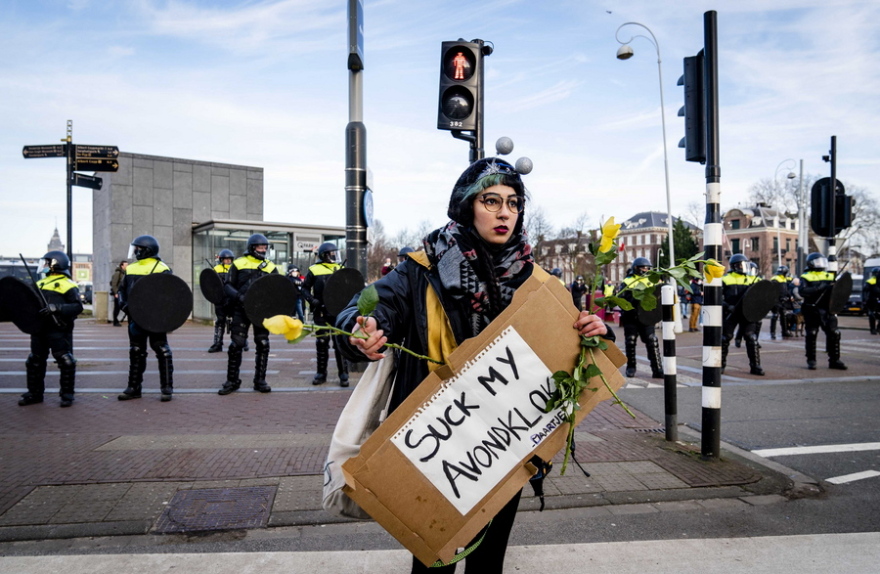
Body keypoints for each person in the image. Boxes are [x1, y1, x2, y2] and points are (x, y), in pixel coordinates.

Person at [333, 157, 613, 574]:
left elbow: (570, 350)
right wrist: (361, 330)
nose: (504, 213)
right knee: (434, 559)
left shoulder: (537, 282)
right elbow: (368, 309)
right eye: (491, 200)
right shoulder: (420, 270)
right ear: (467, 206)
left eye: (514, 203)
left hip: (504, 444)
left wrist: (594, 333)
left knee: (488, 562)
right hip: (437, 445)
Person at [18, 251, 83, 407]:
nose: (44, 266)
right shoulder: (39, 284)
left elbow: (77, 307)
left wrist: (57, 307)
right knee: (35, 361)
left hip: (58, 329)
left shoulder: (68, 285)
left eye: (47, 263)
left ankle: (67, 395)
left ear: (56, 264)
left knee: (65, 360)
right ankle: (35, 393)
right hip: (39, 329)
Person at [118, 235, 176, 402]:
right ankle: (133, 388)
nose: (135, 251)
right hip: (134, 318)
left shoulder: (161, 268)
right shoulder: (130, 268)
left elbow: (170, 294)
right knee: (136, 351)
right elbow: (122, 291)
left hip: (154, 318)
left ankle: (167, 388)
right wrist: (124, 305)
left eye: (138, 248)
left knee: (161, 349)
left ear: (146, 250)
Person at [218, 234, 277, 395]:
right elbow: (228, 286)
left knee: (263, 344)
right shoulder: (238, 263)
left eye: (265, 247)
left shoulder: (270, 266)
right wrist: (239, 297)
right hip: (240, 309)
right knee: (236, 345)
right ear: (252, 247)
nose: (263, 250)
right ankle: (232, 381)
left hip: (261, 311)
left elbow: (278, 288)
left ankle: (260, 380)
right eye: (260, 247)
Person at [302, 242, 350, 387]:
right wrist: (312, 300)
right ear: (324, 255)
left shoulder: (340, 268)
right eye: (332, 254)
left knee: (339, 343)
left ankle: (343, 374)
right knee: (322, 343)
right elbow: (304, 289)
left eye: (336, 253)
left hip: (338, 312)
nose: (335, 256)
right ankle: (321, 373)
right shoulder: (314, 270)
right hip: (321, 312)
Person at [799, 253, 847, 370]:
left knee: (834, 333)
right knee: (812, 334)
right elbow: (803, 291)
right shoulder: (806, 276)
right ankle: (811, 360)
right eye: (817, 261)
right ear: (811, 263)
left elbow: (837, 292)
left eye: (821, 261)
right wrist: (819, 287)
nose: (820, 263)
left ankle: (834, 360)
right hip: (812, 309)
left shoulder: (829, 276)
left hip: (827, 310)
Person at [618, 257, 663, 379]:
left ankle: (657, 368)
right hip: (631, 316)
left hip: (647, 317)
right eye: (643, 267)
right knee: (630, 341)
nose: (646, 269)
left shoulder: (652, 281)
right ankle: (631, 367)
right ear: (636, 268)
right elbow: (621, 298)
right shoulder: (628, 281)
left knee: (652, 340)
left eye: (648, 267)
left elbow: (658, 297)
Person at [721, 254, 763, 375]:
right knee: (725, 338)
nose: (743, 267)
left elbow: (762, 296)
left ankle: (755, 366)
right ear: (734, 266)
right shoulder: (725, 279)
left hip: (747, 313)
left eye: (745, 264)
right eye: (740, 265)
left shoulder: (753, 279)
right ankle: (721, 365)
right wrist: (727, 306)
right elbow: (717, 298)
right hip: (731, 313)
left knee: (751, 338)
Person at [208, 249, 235, 353]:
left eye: (229, 259)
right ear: (221, 260)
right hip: (220, 300)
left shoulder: (234, 269)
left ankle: (240, 342)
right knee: (220, 321)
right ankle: (217, 343)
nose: (227, 261)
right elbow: (211, 284)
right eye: (225, 259)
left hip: (233, 299)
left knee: (236, 322)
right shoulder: (216, 269)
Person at [109, 260, 127, 326]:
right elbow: (114, 284)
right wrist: (116, 293)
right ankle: (115, 321)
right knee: (117, 307)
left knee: (120, 307)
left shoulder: (124, 273)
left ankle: (116, 320)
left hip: (122, 293)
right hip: (118, 293)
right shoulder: (118, 273)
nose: (127, 266)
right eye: (126, 265)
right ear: (122, 266)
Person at [865, 268, 880, 335]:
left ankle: (878, 328)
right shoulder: (870, 281)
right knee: (872, 315)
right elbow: (865, 291)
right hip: (872, 300)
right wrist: (865, 300)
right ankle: (873, 329)